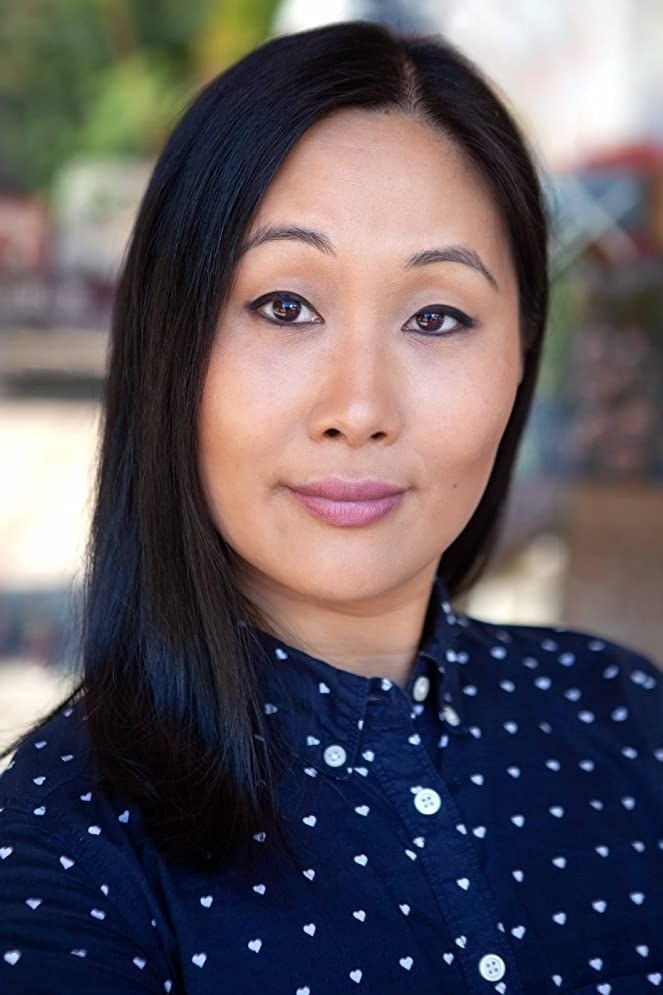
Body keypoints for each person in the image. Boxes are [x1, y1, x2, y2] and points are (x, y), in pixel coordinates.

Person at [1, 19, 661, 995]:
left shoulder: (625, 714)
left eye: (437, 315)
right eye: (285, 306)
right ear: (170, 345)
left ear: (520, 356)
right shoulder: (59, 852)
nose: (358, 407)